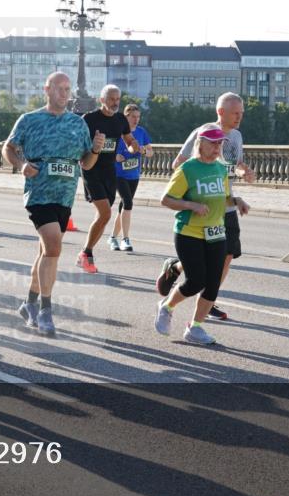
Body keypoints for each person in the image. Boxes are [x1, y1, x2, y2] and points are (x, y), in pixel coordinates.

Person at [2, 71, 100, 336]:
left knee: (46, 253)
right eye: (59, 88)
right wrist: (21, 165)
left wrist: (95, 149)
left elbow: (87, 163)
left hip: (64, 196)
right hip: (39, 193)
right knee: (54, 247)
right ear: (47, 90)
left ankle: (29, 304)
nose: (64, 93)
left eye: (67, 89)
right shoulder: (30, 120)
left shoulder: (78, 124)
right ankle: (46, 310)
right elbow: (8, 148)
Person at [157, 93, 254, 321]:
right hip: (201, 208)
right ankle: (178, 270)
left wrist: (243, 171)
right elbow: (178, 163)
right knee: (203, 263)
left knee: (227, 255)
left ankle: (208, 298)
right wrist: (193, 193)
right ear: (221, 112)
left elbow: (236, 164)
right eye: (235, 113)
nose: (239, 117)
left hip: (225, 204)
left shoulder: (236, 136)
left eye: (241, 113)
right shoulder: (203, 132)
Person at [154, 124, 233, 346]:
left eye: (220, 143)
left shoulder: (221, 169)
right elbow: (166, 199)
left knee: (213, 284)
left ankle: (195, 328)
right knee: (196, 281)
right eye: (213, 143)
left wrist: (237, 201)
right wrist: (191, 205)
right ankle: (167, 306)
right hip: (189, 232)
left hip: (216, 232)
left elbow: (225, 197)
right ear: (200, 143)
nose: (217, 147)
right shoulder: (187, 169)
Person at [77, 84, 140, 273]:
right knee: (105, 214)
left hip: (109, 172)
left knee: (102, 217)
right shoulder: (89, 119)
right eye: (111, 99)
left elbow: (128, 140)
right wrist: (92, 148)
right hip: (91, 170)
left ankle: (85, 253)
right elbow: (80, 148)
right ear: (102, 100)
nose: (115, 103)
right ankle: (86, 253)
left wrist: (133, 146)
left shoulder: (120, 119)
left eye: (117, 99)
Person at [108, 102, 153, 252]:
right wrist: (115, 156)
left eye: (138, 116)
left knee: (124, 207)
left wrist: (143, 151)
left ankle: (112, 237)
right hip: (118, 174)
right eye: (133, 116)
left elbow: (150, 152)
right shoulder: (117, 131)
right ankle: (125, 239)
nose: (136, 119)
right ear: (126, 117)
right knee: (128, 203)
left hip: (134, 174)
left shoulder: (141, 132)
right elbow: (105, 150)